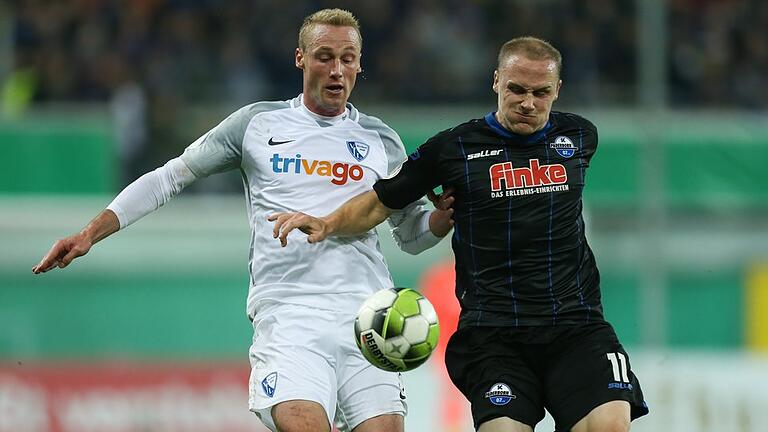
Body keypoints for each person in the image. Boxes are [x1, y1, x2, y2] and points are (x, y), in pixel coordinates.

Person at [32, 9, 453, 432]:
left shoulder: (381, 140)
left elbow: (410, 235)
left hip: (370, 318)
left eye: (348, 58)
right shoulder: (257, 124)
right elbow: (170, 177)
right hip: (290, 314)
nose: (337, 70)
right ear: (300, 58)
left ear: (360, 63)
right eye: (325, 57)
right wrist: (90, 233)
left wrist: (439, 220)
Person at [270, 36, 650, 432]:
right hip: (494, 336)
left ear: (558, 90)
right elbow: (379, 201)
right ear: (496, 82)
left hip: (577, 326)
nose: (528, 103)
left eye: (541, 93)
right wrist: (327, 223)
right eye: (516, 90)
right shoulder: (454, 149)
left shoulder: (578, 137)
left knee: (609, 424)